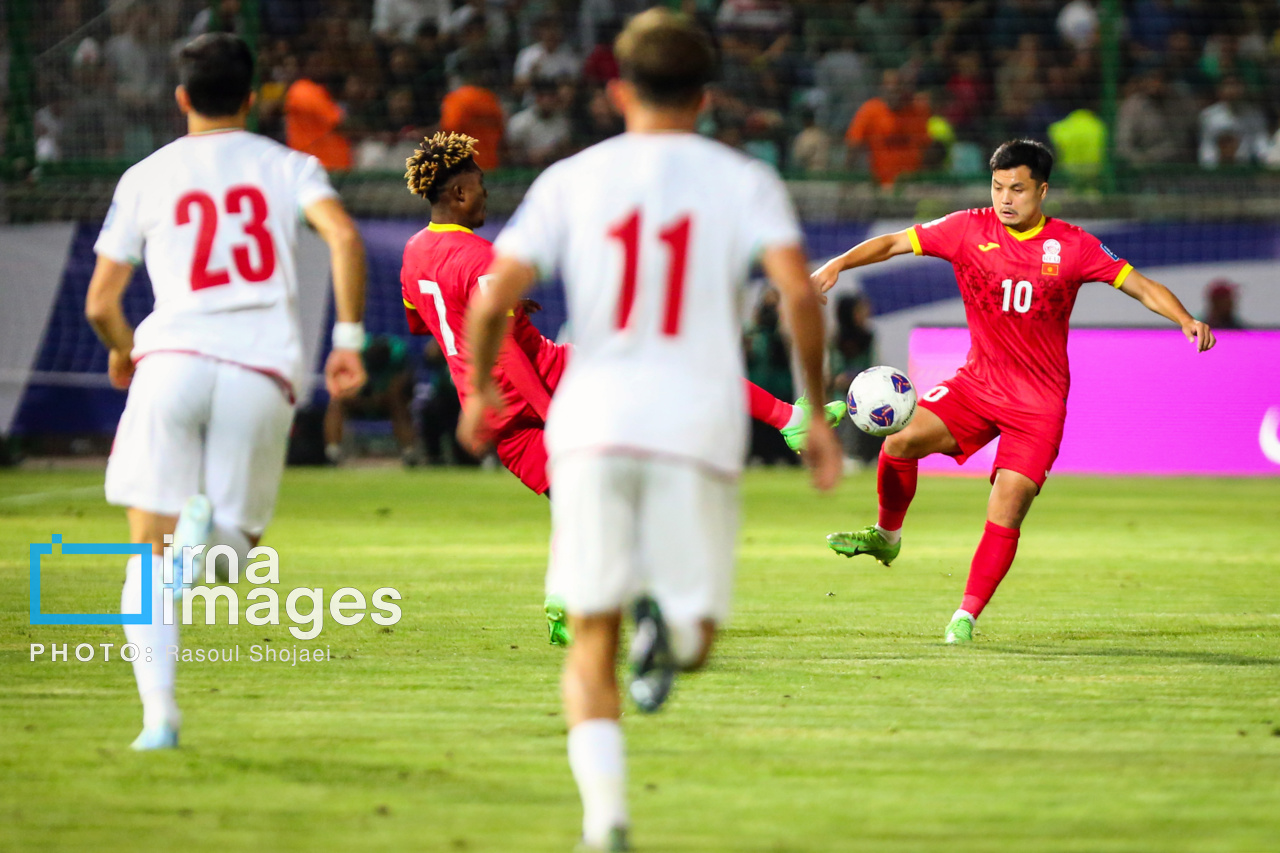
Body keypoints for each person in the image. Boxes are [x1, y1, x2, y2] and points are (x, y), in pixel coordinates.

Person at [456, 11, 841, 850]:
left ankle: (604, 812)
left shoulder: (571, 179)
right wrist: (812, 412)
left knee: (589, 629)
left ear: (615, 89)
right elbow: (799, 296)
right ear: (705, 97)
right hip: (695, 426)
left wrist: (480, 388)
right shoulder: (743, 179)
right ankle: (612, 810)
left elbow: (491, 294)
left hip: (588, 420)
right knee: (698, 642)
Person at [398, 130, 842, 645]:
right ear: (457, 194)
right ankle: (786, 424)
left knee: (575, 497)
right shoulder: (480, 257)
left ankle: (563, 601)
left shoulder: (413, 255)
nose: (486, 195)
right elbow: (504, 350)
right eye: (479, 187)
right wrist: (549, 408)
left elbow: (421, 323)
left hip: (492, 409)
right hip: (542, 380)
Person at [811, 139, 1215, 645]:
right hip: (976, 385)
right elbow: (893, 242)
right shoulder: (966, 228)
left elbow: (1137, 284)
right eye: (998, 187)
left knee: (1008, 504)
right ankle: (887, 537)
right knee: (899, 443)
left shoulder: (1073, 246)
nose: (1006, 198)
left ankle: (966, 616)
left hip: (1039, 405)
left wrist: (1183, 318)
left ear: (1042, 190)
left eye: (1018, 189)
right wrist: (838, 264)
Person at [84, 33, 367, 750]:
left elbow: (100, 303)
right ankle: (205, 551)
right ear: (251, 98)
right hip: (259, 368)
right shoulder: (290, 165)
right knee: (231, 548)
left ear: (181, 98)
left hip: (171, 358)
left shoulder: (145, 174)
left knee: (145, 554)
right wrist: (347, 342)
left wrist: (123, 350)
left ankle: (160, 718)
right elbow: (343, 238)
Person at [324, 335, 418, 466]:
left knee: (399, 406)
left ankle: (409, 452)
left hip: (386, 401)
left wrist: (379, 397)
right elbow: (344, 385)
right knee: (336, 402)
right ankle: (333, 451)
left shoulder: (397, 357)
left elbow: (399, 387)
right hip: (359, 398)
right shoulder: (355, 356)